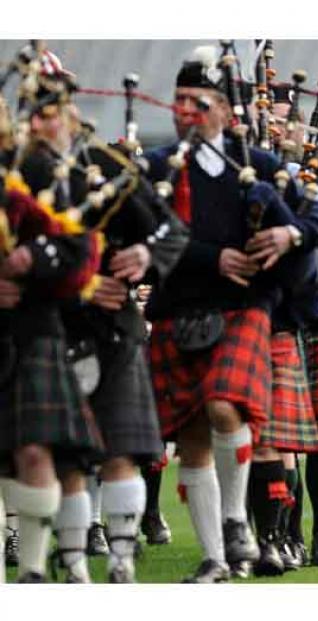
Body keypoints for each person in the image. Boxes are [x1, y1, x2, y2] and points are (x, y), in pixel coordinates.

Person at [143, 46, 306, 583]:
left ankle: (237, 520)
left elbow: (317, 219)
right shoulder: (157, 167)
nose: (184, 110)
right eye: (179, 100)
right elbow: (151, 237)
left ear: (223, 111)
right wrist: (212, 256)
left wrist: (289, 233)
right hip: (177, 307)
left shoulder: (257, 165)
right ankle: (218, 557)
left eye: (198, 102)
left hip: (242, 307)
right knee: (190, 437)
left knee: (221, 405)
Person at [0, 64, 104, 583]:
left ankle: (33, 572)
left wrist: (32, 264)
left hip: (34, 328)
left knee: (35, 448)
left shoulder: (51, 176)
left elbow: (80, 251)